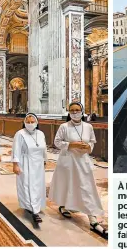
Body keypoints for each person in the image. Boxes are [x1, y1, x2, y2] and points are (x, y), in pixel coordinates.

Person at [48, 102, 107, 239]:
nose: (75, 112)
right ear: (69, 112)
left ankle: (92, 218)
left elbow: (92, 141)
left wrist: (88, 147)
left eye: (77, 110)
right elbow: (57, 142)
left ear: (82, 111)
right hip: (67, 161)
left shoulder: (88, 126)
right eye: (72, 110)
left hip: (82, 161)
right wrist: (71, 144)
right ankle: (63, 205)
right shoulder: (64, 126)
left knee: (86, 187)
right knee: (67, 184)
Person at [12, 113, 47, 223]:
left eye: (32, 122)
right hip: (25, 162)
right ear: (24, 123)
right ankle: (32, 209)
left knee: (37, 185)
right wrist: (15, 164)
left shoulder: (40, 133)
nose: (30, 124)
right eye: (28, 122)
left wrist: (45, 160)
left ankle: (36, 205)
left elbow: (44, 148)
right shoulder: (20, 134)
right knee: (27, 185)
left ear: (37, 123)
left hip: (38, 164)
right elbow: (16, 149)